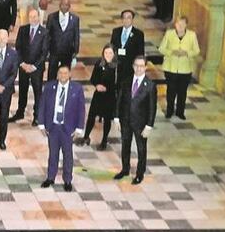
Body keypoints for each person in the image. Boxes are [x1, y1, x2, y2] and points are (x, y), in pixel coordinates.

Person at [38, 64, 85, 191]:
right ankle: (50, 177)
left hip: (68, 128)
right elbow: (42, 105)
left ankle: (67, 180)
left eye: (65, 73)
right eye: (60, 73)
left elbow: (81, 110)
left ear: (70, 74)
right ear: (57, 75)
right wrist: (41, 124)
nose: (63, 75)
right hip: (53, 127)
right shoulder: (49, 87)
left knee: (67, 155)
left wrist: (79, 128)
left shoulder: (77, 89)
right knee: (53, 154)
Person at [114, 55, 156, 185]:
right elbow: (119, 101)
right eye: (136, 65)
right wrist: (116, 118)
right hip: (126, 120)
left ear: (145, 67)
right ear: (133, 66)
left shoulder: (150, 86)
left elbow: (152, 108)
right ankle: (125, 169)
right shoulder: (126, 82)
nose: (138, 68)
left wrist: (149, 126)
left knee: (141, 149)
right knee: (125, 146)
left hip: (141, 124)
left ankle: (139, 173)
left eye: (141, 66)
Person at [10, 8, 49, 125]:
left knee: (38, 92)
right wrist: (22, 63)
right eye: (31, 17)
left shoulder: (44, 32)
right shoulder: (23, 29)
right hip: (23, 67)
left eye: (35, 16)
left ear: (39, 17)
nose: (33, 19)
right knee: (22, 90)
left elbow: (44, 53)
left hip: (36, 68)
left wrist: (34, 66)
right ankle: (20, 112)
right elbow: (18, 48)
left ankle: (37, 116)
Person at [159, 17, 201, 119]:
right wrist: (172, 52)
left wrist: (186, 53)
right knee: (171, 91)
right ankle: (169, 111)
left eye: (183, 24)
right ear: (175, 25)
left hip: (185, 69)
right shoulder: (169, 34)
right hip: (171, 68)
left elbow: (196, 50)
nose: (180, 26)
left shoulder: (192, 35)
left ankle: (180, 112)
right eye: (178, 24)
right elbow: (161, 48)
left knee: (182, 92)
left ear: (186, 25)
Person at [82, 46, 117, 149]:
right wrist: (97, 85)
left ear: (114, 54)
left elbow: (118, 83)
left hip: (110, 96)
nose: (108, 55)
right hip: (98, 95)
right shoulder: (99, 63)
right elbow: (93, 78)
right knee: (91, 116)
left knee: (107, 119)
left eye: (110, 53)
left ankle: (104, 140)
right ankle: (86, 136)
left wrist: (107, 88)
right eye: (106, 53)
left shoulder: (117, 67)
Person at [46, 0, 81, 82]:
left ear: (69, 6)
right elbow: (47, 35)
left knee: (65, 73)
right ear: (59, 5)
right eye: (62, 5)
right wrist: (46, 49)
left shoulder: (75, 19)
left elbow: (76, 35)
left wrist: (76, 50)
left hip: (67, 52)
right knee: (52, 74)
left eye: (66, 5)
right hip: (54, 51)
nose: (64, 7)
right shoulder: (51, 17)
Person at [109, 9, 145, 92]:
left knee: (129, 89)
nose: (126, 20)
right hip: (118, 65)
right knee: (118, 88)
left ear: (132, 19)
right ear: (122, 19)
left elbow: (140, 52)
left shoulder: (138, 34)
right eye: (124, 18)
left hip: (131, 66)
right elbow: (112, 48)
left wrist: (139, 67)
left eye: (129, 18)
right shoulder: (116, 31)